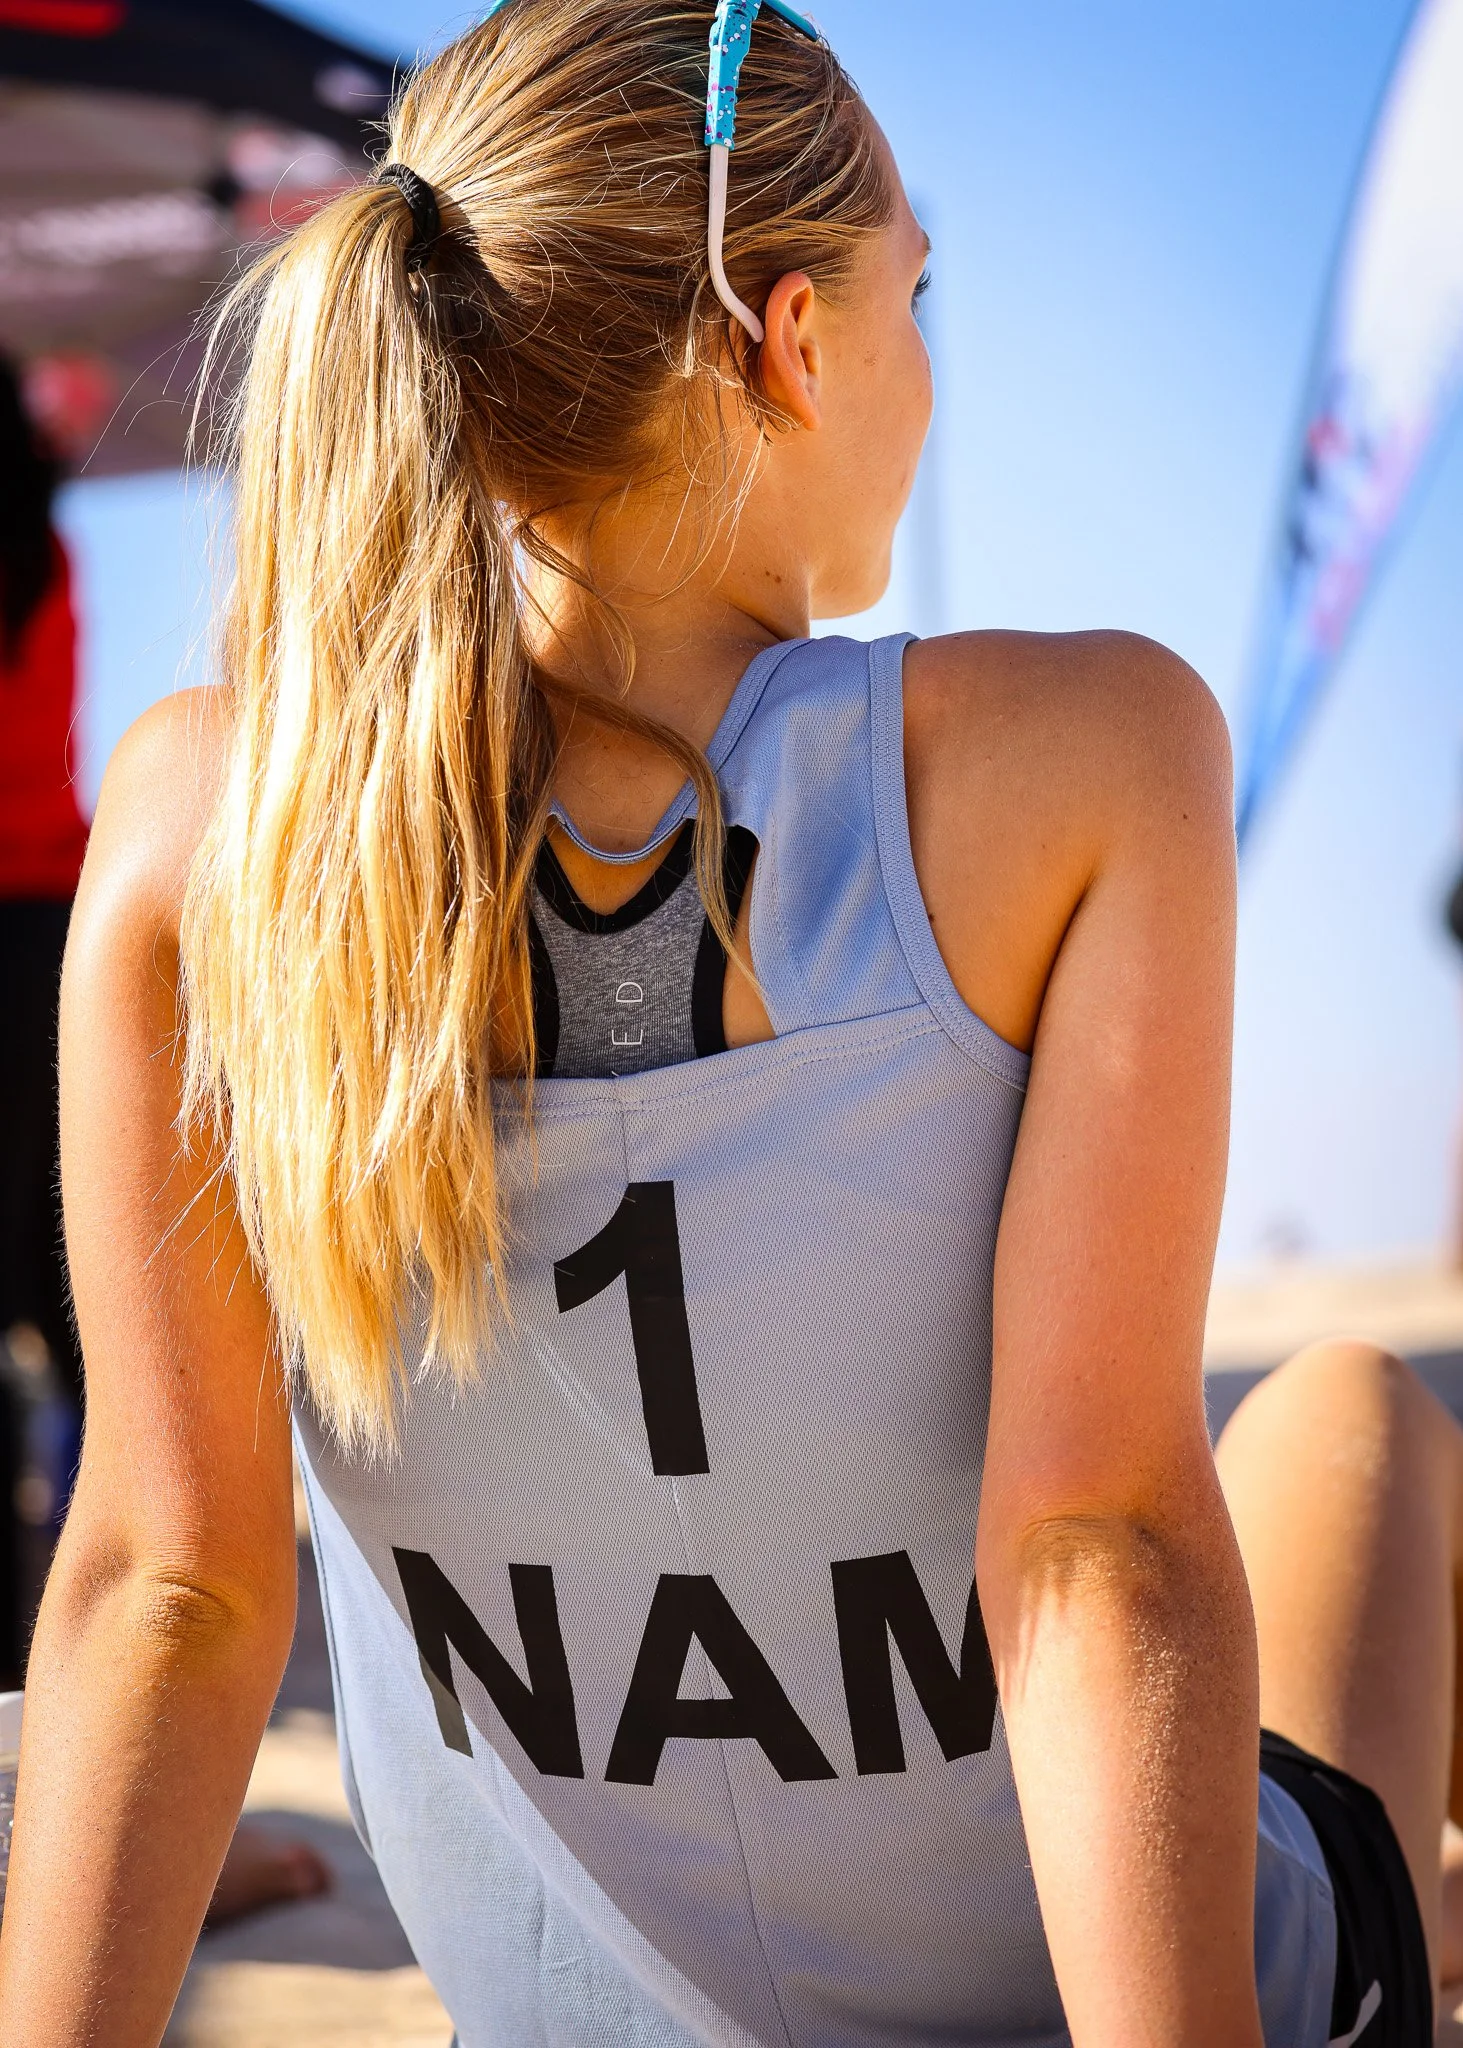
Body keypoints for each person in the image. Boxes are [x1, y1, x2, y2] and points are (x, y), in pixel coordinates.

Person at [0, 5, 1458, 2042]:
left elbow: (170, 1586)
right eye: (914, 297)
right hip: (1082, 1983)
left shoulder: (202, 835)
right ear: (790, 337)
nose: (926, 369)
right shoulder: (1082, 764)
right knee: (1349, 1422)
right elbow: (1090, 1542)